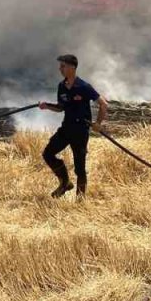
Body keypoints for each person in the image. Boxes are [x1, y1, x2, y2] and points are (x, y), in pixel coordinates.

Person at [38, 53, 108, 197]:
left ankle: (80, 200)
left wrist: (98, 124)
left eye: (62, 66)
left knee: (79, 168)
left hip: (80, 131)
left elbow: (103, 104)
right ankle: (65, 182)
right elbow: (60, 107)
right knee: (48, 154)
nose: (60, 69)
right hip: (66, 128)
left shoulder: (84, 86)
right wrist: (47, 106)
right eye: (60, 66)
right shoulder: (61, 86)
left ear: (72, 67)